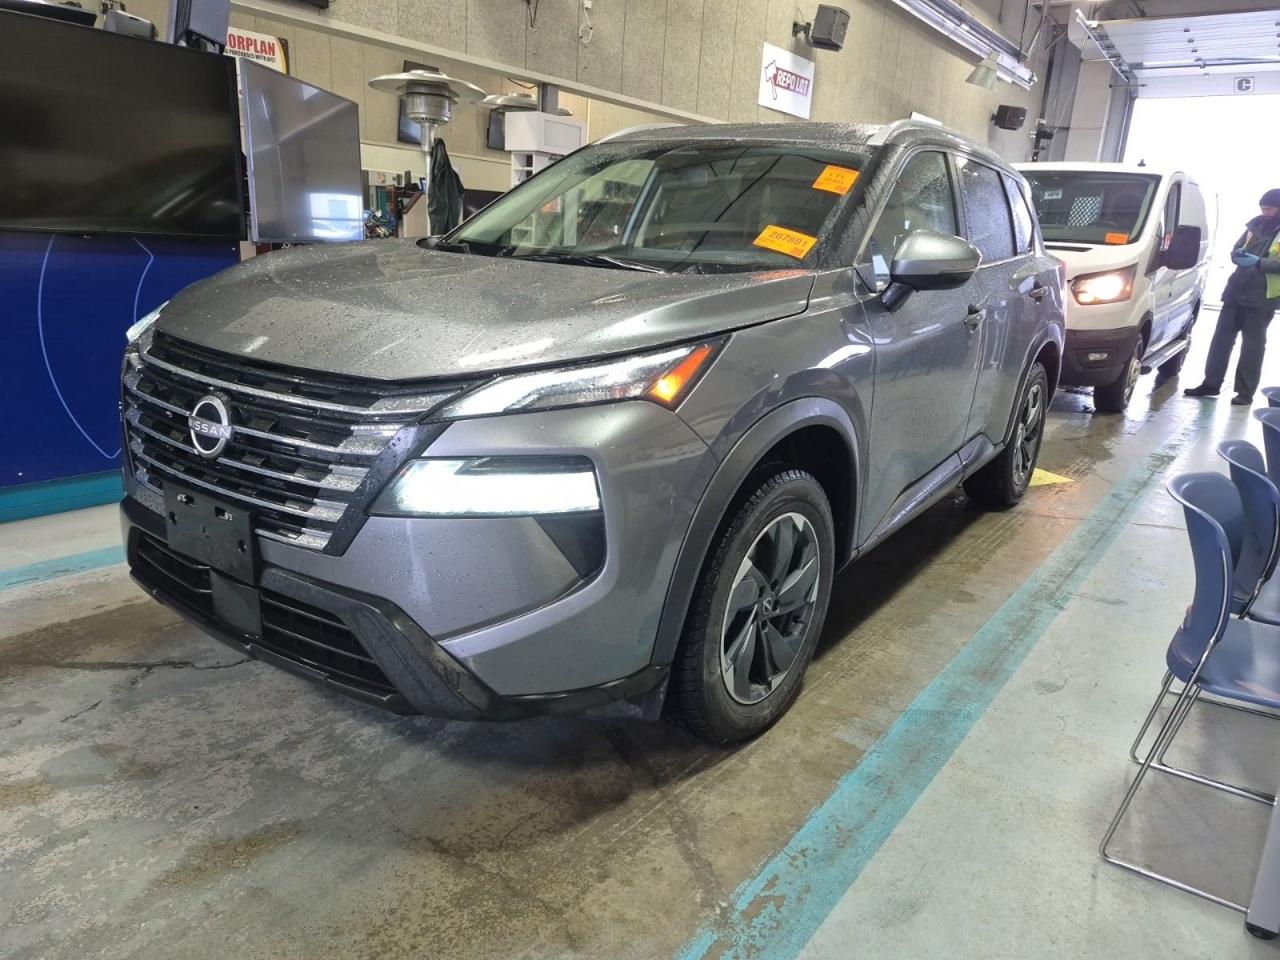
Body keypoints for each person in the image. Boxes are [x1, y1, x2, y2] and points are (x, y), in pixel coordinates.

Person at [1185, 189, 1280, 405]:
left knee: (1252, 346)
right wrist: (1237, 255)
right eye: (1263, 208)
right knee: (1221, 340)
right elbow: (1237, 247)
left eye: (1269, 208)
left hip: (1262, 297)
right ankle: (1211, 384)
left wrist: (1259, 262)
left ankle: (1245, 392)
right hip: (1236, 291)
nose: (1265, 212)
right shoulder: (1253, 226)